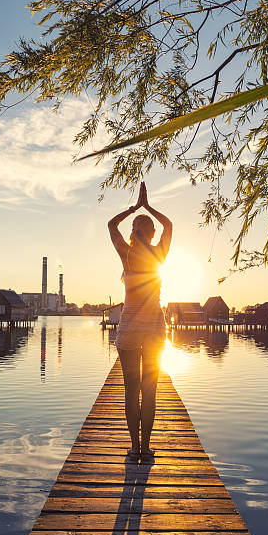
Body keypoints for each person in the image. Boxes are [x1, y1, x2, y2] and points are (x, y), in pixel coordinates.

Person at [107, 182, 172, 463]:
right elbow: (169, 224)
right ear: (152, 233)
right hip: (155, 329)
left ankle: (135, 449)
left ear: (134, 232)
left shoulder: (127, 255)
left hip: (130, 329)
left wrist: (134, 207)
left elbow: (111, 224)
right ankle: (147, 448)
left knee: (131, 391)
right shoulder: (159, 253)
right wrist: (148, 206)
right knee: (150, 390)